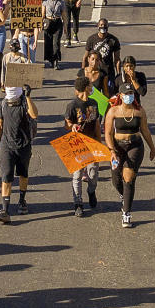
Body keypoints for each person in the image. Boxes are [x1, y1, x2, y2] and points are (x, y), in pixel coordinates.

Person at [104, 83, 155, 227]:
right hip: (117, 147)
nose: (129, 96)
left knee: (128, 177)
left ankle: (126, 213)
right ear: (120, 95)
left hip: (135, 146)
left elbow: (145, 130)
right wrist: (112, 150)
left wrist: (152, 148)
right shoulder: (113, 111)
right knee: (116, 179)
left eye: (131, 93)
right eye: (126, 94)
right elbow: (107, 133)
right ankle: (124, 195)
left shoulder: (139, 111)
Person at [0, 85, 38, 223]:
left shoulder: (25, 102)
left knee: (23, 174)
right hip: (7, 146)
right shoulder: (2, 104)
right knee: (6, 176)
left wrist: (29, 96)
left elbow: (34, 114)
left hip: (24, 145)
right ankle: (5, 210)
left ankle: (22, 200)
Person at [65, 76, 102, 217]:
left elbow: (97, 124)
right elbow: (66, 123)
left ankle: (91, 191)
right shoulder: (73, 105)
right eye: (90, 85)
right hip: (77, 144)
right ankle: (78, 203)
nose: (92, 87)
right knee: (77, 175)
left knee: (93, 174)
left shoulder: (94, 103)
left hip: (92, 143)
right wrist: (72, 126)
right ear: (85, 87)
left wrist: (100, 143)